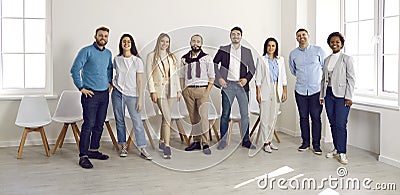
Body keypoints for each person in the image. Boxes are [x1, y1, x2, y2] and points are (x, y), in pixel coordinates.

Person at [70, 26, 113, 169]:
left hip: (104, 94)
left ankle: (93, 150)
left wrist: (110, 83)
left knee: (99, 124)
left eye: (106, 36)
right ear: (95, 36)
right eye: (100, 35)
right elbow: (75, 69)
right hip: (90, 94)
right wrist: (81, 88)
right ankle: (83, 156)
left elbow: (109, 69)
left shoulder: (108, 53)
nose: (103, 38)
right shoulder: (86, 51)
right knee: (88, 125)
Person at [214, 26, 256, 150]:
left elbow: (252, 69)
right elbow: (214, 64)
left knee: (245, 114)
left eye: (238, 34)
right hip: (228, 86)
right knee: (225, 113)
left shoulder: (247, 51)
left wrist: (246, 79)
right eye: (233, 34)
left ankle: (246, 140)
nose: (235, 36)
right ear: (230, 36)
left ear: (241, 36)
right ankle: (223, 140)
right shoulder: (223, 49)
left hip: (242, 86)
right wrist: (220, 78)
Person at [111, 34, 152, 160]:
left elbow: (140, 81)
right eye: (124, 41)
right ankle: (123, 146)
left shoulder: (137, 61)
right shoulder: (116, 59)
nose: (126, 43)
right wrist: (110, 85)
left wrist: (140, 99)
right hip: (117, 93)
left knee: (137, 121)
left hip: (132, 95)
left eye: (128, 41)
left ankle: (142, 148)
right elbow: (111, 74)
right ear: (121, 44)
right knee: (120, 120)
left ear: (131, 44)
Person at [289, 28, 326, 155]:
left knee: (316, 117)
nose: (301, 37)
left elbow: (324, 68)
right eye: (299, 35)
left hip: (316, 91)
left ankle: (316, 145)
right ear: (296, 38)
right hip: (300, 91)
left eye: (303, 35)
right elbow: (293, 71)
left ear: (308, 36)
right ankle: (305, 143)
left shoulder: (318, 51)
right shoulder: (293, 54)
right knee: (303, 117)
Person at [320, 32, 355, 164]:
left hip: (342, 96)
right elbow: (323, 79)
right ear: (329, 44)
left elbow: (351, 79)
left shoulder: (347, 59)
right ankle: (336, 148)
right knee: (332, 123)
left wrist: (349, 96)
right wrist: (321, 95)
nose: (334, 44)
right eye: (332, 42)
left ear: (341, 44)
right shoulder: (327, 59)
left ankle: (342, 152)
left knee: (341, 124)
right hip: (328, 95)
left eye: (337, 42)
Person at [146, 33, 181, 159]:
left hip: (171, 90)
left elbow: (175, 75)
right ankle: (167, 146)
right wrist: (152, 91)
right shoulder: (151, 56)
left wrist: (178, 90)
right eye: (162, 41)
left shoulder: (171, 57)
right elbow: (149, 75)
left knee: (165, 118)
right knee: (167, 118)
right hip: (159, 90)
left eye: (167, 42)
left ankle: (161, 141)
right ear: (158, 42)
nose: (164, 44)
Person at [180, 34, 215, 155]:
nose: (196, 43)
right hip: (188, 90)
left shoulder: (207, 58)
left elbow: (212, 76)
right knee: (193, 118)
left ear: (201, 44)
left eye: (198, 41)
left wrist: (207, 91)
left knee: (203, 118)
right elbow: (181, 76)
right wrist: (183, 90)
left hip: (202, 90)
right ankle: (196, 141)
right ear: (190, 43)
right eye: (193, 41)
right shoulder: (184, 59)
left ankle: (205, 143)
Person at [255, 37, 287, 153]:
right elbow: (258, 78)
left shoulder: (281, 60)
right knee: (265, 117)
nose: (271, 48)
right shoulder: (261, 59)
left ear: (276, 47)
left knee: (273, 117)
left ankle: (269, 140)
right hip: (265, 89)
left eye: (273, 46)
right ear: (266, 47)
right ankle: (265, 142)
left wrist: (284, 91)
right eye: (269, 45)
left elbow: (283, 76)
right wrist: (258, 93)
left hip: (277, 88)